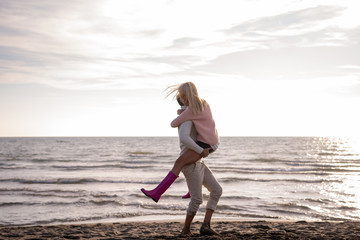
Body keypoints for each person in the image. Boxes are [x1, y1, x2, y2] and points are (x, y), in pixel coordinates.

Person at [140, 82, 219, 203]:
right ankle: (191, 190)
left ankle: (157, 193)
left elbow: (173, 124)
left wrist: (182, 114)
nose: (181, 98)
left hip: (206, 145)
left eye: (182, 95)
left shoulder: (191, 110)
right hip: (212, 140)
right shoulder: (204, 103)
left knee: (179, 162)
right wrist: (185, 113)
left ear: (187, 96)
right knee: (186, 159)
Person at [175, 96, 223, 236]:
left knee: (217, 190)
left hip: (198, 161)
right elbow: (184, 138)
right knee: (196, 200)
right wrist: (200, 150)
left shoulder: (191, 116)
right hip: (190, 163)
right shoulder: (187, 119)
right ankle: (185, 230)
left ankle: (205, 226)